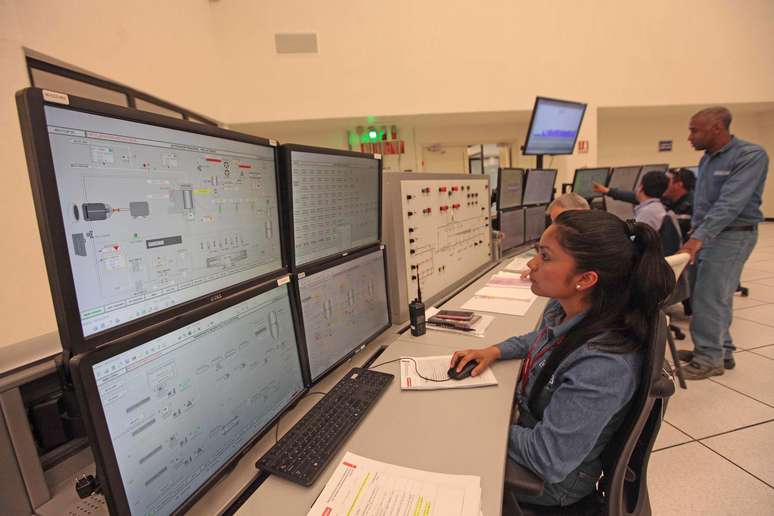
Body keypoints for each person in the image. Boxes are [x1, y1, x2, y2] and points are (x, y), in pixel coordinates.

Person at [450, 210, 675, 507]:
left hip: (549, 485)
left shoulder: (603, 365)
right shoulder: (571, 310)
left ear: (585, 278)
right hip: (530, 425)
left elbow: (548, 459)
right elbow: (542, 339)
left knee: (439, 450)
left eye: (545, 256)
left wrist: (481, 423)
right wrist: (495, 350)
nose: (531, 265)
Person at [677, 106, 769, 380]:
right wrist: (696, 233)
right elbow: (703, 204)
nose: (689, 136)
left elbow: (730, 204)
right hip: (710, 234)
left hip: (733, 234)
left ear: (717, 127)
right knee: (716, 295)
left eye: (694, 130)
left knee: (708, 296)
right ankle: (721, 350)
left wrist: (697, 239)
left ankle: (708, 359)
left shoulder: (750, 155)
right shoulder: (707, 159)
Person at [592, 171, 669, 230]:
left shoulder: (647, 213)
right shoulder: (657, 207)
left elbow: (633, 239)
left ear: (641, 188)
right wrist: (607, 191)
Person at [662, 167, 696, 241]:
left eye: (666, 181)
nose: (662, 183)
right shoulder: (669, 200)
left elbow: (671, 232)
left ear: (678, 185)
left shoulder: (690, 208)